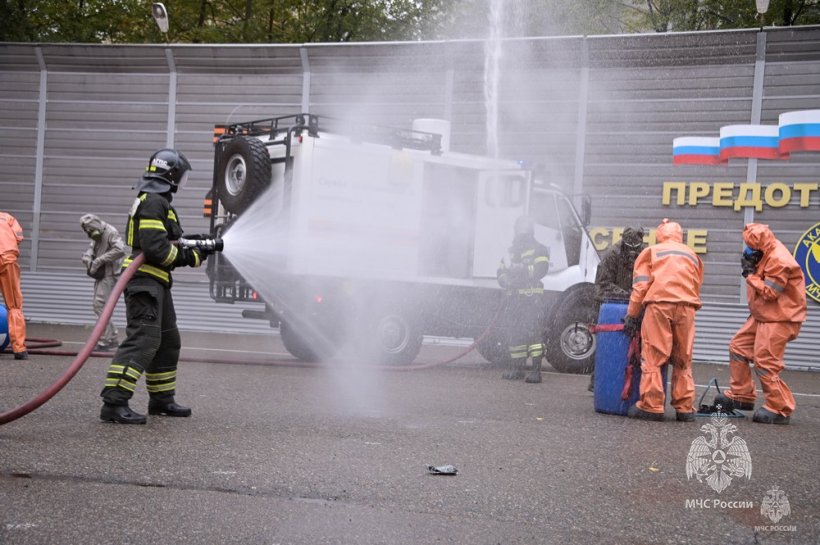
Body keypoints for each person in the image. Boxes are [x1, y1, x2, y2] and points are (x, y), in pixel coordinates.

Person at [99, 149, 206, 424]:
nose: (182, 183)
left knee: (168, 341)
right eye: (180, 177)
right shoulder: (154, 201)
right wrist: (190, 257)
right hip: (144, 283)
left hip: (156, 282)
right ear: (169, 175)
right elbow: (156, 248)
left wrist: (198, 245)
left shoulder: (158, 201)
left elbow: (170, 241)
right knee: (143, 340)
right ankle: (114, 402)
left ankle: (161, 400)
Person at [715, 224, 807, 425]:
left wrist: (750, 276)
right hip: (764, 315)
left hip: (780, 318)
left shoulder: (779, 260)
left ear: (761, 246)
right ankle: (742, 395)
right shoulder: (765, 252)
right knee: (738, 347)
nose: (749, 251)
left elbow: (770, 293)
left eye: (752, 247)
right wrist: (754, 268)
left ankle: (779, 407)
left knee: (765, 362)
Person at [625, 218, 704, 422]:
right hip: (687, 307)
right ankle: (685, 408)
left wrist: (632, 314)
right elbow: (696, 283)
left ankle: (651, 406)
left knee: (653, 355)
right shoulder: (692, 255)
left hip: (659, 305)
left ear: (660, 235)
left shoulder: (652, 252)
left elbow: (641, 286)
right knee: (683, 359)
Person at [588, 227, 646, 391]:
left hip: (636, 305)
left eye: (636, 249)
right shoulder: (612, 255)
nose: (633, 253)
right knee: (609, 346)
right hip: (612, 305)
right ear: (623, 243)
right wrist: (625, 295)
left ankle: (632, 384)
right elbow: (602, 284)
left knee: (637, 347)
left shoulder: (645, 254)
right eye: (629, 248)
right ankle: (598, 381)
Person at [496, 215, 550, 383]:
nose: (521, 233)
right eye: (518, 229)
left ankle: (535, 371)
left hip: (531, 300)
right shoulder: (509, 251)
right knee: (515, 334)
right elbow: (501, 271)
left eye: (524, 229)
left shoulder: (539, 249)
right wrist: (505, 279)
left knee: (534, 335)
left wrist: (523, 269)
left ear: (531, 231)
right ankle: (516, 368)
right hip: (514, 301)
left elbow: (541, 270)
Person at [80, 214, 126, 352]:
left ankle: (108, 339)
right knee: (100, 306)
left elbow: (120, 250)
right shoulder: (97, 234)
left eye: (89, 230)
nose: (89, 233)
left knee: (99, 305)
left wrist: (99, 260)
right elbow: (92, 246)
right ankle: (110, 338)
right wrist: (88, 257)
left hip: (110, 275)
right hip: (103, 275)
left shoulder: (110, 232)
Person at [0, 211, 27, 360]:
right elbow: (19, 237)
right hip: (8, 260)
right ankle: (19, 350)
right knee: (14, 306)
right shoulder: (8, 217)